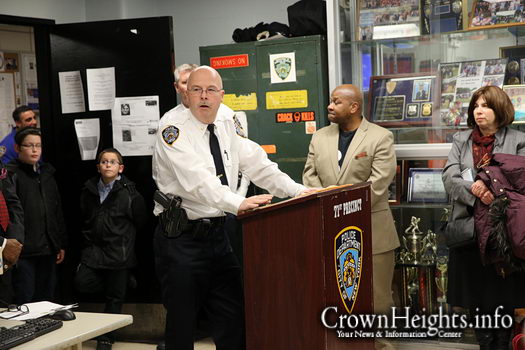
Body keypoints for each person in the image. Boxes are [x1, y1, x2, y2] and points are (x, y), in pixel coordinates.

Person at [152, 65, 313, 350]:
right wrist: (238, 203)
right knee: (182, 326)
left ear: (221, 95)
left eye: (211, 90)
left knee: (234, 320)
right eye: (196, 90)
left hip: (218, 236)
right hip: (182, 239)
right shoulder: (172, 128)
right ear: (185, 94)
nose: (204, 97)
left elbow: (257, 162)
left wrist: (298, 191)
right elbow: (197, 182)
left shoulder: (228, 118)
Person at [302, 84, 399, 350]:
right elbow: (310, 176)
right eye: (330, 101)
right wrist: (329, 209)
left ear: (354, 107)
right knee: (337, 298)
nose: (329, 106)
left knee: (378, 301)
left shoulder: (380, 137)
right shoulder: (319, 137)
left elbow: (378, 184)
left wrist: (343, 209)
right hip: (330, 235)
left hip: (373, 232)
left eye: (336, 102)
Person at [442, 85, 525, 350]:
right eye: (476, 105)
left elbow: (520, 179)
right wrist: (476, 191)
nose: (479, 111)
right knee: (477, 300)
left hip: (504, 234)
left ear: (500, 109)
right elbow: (449, 178)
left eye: (486, 105)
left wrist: (492, 187)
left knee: (504, 298)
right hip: (470, 232)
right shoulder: (461, 140)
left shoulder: (518, 139)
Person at [75, 148, 146, 350]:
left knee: (115, 300)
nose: (108, 165)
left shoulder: (131, 194)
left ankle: (106, 338)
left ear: (120, 168)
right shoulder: (88, 190)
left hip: (119, 253)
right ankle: (125, 283)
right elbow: (83, 218)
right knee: (82, 283)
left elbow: (140, 222)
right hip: (94, 252)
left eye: (112, 162)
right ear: (98, 167)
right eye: (104, 162)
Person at [7, 127, 67, 305]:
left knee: (46, 298)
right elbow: (11, 213)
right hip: (23, 250)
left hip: (48, 248)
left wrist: (59, 243)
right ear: (18, 148)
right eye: (29, 145)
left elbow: (57, 211)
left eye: (38, 146)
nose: (35, 150)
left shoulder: (47, 174)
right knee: (25, 297)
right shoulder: (10, 175)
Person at [0, 165, 24, 304]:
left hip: (6, 252)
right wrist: (3, 243)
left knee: (5, 303)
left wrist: (14, 242)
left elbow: (13, 203)